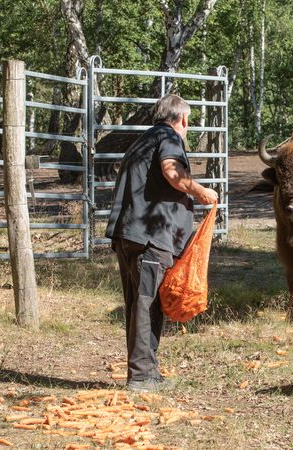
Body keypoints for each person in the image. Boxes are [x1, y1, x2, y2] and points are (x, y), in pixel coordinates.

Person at [105, 94, 218, 392]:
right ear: (182, 119)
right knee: (148, 302)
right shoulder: (169, 136)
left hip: (128, 234)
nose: (188, 129)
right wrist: (200, 191)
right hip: (149, 238)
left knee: (137, 304)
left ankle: (146, 371)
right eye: (189, 123)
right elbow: (172, 172)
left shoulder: (142, 141)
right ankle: (142, 377)